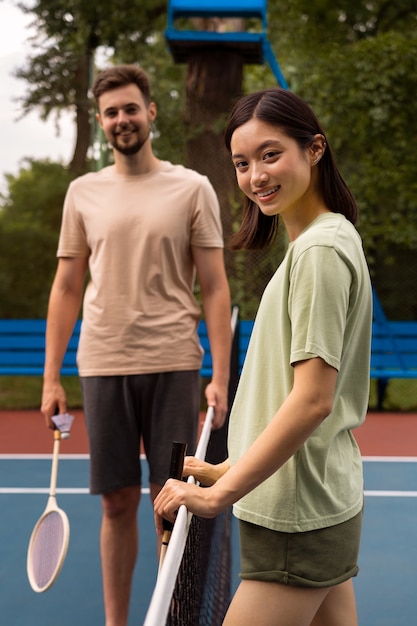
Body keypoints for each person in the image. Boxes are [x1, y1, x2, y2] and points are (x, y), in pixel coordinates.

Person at [154, 87, 372, 626]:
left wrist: (218, 493)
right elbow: (286, 397)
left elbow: (313, 401)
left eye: (271, 155)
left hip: (294, 521)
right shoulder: (328, 239)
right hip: (317, 502)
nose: (256, 176)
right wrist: (225, 466)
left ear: (314, 149)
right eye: (242, 163)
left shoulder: (319, 252)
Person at [40, 64, 231, 626]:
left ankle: (170, 616)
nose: (122, 119)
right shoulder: (83, 193)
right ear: (102, 123)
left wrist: (220, 374)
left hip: (174, 361)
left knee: (171, 505)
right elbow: (67, 286)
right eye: (111, 112)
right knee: (117, 502)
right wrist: (53, 378)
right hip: (102, 365)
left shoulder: (192, 187)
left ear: (151, 111)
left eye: (130, 108)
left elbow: (216, 289)